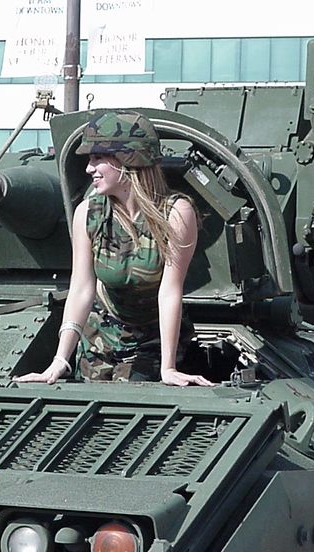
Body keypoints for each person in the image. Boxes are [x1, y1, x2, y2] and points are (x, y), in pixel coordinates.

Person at [14, 110, 213, 387]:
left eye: (98, 158)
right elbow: (81, 289)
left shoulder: (176, 213)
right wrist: (59, 361)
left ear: (129, 159)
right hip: (101, 336)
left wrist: (168, 368)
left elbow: (170, 291)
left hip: (154, 339)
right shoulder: (89, 213)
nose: (89, 168)